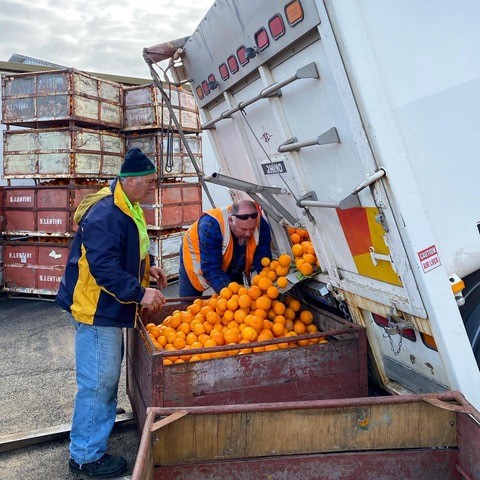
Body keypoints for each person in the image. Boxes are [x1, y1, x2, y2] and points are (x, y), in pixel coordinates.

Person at [56, 148, 167, 478]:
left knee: (103, 376)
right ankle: (86, 456)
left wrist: (149, 270)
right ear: (130, 182)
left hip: (107, 306)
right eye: (149, 182)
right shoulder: (106, 214)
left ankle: (96, 422)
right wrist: (140, 292)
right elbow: (104, 269)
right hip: (96, 309)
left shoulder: (127, 205)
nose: (153, 188)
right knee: (98, 382)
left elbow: (127, 253)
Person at [179, 199, 272, 297]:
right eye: (243, 229)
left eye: (252, 229)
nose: (248, 234)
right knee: (189, 304)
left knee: (236, 291)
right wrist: (231, 298)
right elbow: (210, 269)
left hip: (233, 256)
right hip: (194, 259)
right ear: (231, 220)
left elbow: (263, 261)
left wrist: (266, 289)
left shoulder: (261, 226)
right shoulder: (210, 226)